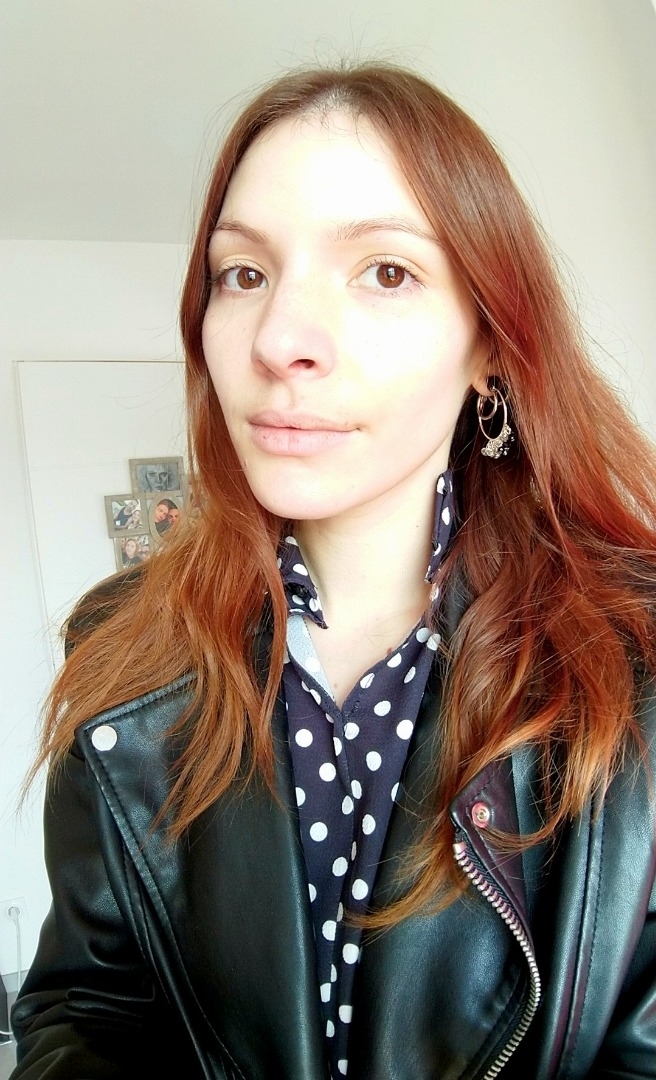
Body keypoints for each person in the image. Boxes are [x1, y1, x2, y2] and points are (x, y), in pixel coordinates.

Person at [10, 63, 656, 1079]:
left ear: (490, 345)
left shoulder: (634, 665)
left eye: (385, 273)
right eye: (243, 274)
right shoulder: (126, 649)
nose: (278, 340)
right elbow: (84, 1004)